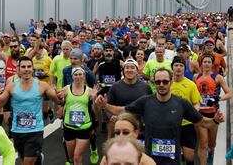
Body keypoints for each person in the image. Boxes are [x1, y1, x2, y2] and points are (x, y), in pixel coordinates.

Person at [96, 68, 225, 164]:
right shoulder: (145, 101)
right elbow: (122, 110)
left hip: (173, 159)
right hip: (149, 160)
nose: (161, 85)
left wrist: (215, 120)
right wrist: (105, 106)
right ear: (154, 83)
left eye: (165, 81)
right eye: (158, 82)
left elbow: (203, 122)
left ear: (171, 82)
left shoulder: (181, 103)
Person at [0, 56, 64, 165]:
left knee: (27, 163)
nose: (26, 69)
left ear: (32, 69)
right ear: (19, 69)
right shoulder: (11, 87)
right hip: (17, 130)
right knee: (24, 158)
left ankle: (36, 158)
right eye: (23, 67)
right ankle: (38, 159)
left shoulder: (42, 86)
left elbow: (58, 102)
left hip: (35, 131)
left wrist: (60, 97)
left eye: (29, 66)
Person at [194, 53, 232, 164]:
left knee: (211, 143)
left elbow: (229, 94)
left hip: (213, 114)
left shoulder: (218, 77)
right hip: (200, 114)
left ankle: (211, 151)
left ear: (212, 64)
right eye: (204, 62)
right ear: (201, 64)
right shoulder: (196, 77)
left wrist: (217, 98)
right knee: (203, 143)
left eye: (209, 62)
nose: (206, 64)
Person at [60, 67, 98, 165]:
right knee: (72, 158)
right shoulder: (66, 89)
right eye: (75, 75)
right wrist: (58, 99)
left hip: (84, 127)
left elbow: (95, 111)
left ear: (84, 76)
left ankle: (93, 150)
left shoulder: (90, 91)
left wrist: (94, 99)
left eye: (80, 74)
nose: (78, 77)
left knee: (77, 157)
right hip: (69, 127)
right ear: (72, 76)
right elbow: (60, 105)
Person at [106, 59, 152, 138]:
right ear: (123, 71)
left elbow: (150, 106)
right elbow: (108, 106)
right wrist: (111, 116)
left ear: (137, 71)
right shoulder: (115, 87)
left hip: (140, 128)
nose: (129, 70)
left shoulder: (146, 87)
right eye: (127, 68)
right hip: (121, 126)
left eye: (132, 67)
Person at [170, 56, 201, 165]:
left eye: (181, 66)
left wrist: (191, 113)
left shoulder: (191, 84)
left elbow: (197, 103)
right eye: (176, 65)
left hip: (187, 124)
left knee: (189, 156)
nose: (178, 68)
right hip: (170, 124)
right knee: (172, 155)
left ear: (184, 68)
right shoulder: (165, 83)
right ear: (172, 67)